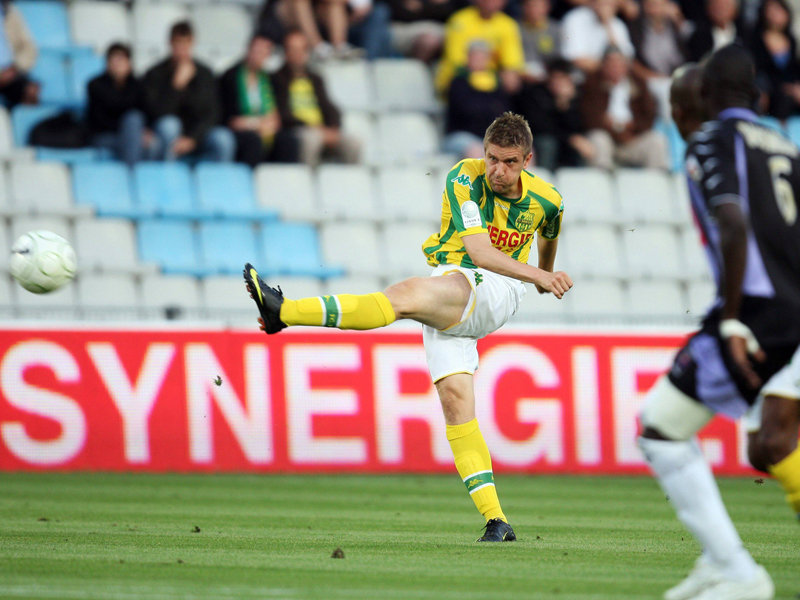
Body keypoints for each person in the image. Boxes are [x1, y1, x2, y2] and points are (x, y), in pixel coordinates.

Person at [242, 112, 572, 541]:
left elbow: (546, 237)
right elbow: (480, 249)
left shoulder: (549, 199)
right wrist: (543, 276)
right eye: (492, 159)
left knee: (403, 297)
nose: (498, 170)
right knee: (455, 400)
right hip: (460, 278)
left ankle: (282, 312)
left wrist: (543, 275)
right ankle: (496, 520)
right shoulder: (464, 179)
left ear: (527, 159)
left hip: (498, 289)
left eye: (509, 162)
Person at [639, 44, 800, 600]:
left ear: (705, 99)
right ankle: (722, 562)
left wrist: (731, 320)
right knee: (771, 443)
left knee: (660, 427)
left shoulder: (711, 142)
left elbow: (731, 223)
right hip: (792, 309)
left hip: (757, 313)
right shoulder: (786, 145)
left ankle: (734, 569)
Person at [143, 21, 235, 162]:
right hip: (166, 137)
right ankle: (167, 177)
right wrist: (176, 87)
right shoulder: (155, 73)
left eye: (186, 43)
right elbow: (156, 113)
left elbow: (212, 113)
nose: (182, 49)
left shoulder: (205, 74)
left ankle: (214, 182)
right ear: (170, 43)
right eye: (178, 43)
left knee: (223, 139)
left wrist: (193, 139)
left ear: (193, 43)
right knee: (170, 125)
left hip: (197, 136)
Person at [272, 29, 360, 166]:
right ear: (285, 53)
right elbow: (281, 112)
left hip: (321, 129)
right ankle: (308, 181)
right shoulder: (276, 79)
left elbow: (328, 105)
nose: (298, 54)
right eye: (293, 49)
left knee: (353, 141)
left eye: (302, 50)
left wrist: (333, 127)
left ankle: (350, 183)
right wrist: (312, 127)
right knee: (312, 139)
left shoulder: (315, 78)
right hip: (295, 129)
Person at [580, 46, 667, 170]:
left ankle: (656, 184)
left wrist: (632, 127)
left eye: (618, 63)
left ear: (626, 66)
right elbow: (589, 117)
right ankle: (601, 183)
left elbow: (650, 114)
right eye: (611, 64)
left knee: (656, 140)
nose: (615, 68)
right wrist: (616, 129)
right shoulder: (592, 84)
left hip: (633, 138)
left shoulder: (638, 83)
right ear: (603, 66)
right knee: (598, 138)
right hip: (608, 139)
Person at [219, 34, 298, 167]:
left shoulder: (272, 80)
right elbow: (232, 120)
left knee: (288, 140)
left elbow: (277, 116)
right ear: (248, 50)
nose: (259, 56)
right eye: (256, 51)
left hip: (266, 129)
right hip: (239, 132)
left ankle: (285, 183)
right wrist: (256, 124)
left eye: (264, 52)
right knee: (252, 141)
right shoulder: (230, 78)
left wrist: (264, 124)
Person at [435, 0, 524, 95]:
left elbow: (512, 62)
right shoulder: (460, 20)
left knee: (511, 79)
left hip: (492, 75)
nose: (491, 2)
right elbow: (456, 58)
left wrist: (501, 75)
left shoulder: (508, 24)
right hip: (462, 74)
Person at [87, 43, 156, 166]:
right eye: (114, 59)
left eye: (121, 59)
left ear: (129, 63)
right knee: (132, 126)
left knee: (154, 143)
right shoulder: (95, 85)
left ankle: (144, 176)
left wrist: (144, 131)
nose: (117, 64)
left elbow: (147, 112)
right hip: (105, 135)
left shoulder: (137, 85)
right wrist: (130, 132)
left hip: (132, 133)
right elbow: (99, 119)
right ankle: (133, 173)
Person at [516, 59, 590, 170]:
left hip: (566, 142)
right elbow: (540, 126)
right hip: (542, 139)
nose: (559, 82)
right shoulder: (535, 94)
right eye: (556, 77)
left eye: (563, 78)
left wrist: (565, 104)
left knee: (582, 147)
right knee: (548, 144)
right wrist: (569, 138)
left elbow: (580, 125)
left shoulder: (575, 97)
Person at [442, 41, 511, 159]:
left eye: (483, 57)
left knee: (520, 150)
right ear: (468, 58)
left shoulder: (496, 83)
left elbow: (503, 113)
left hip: (490, 138)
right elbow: (467, 111)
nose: (479, 60)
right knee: (477, 150)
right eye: (475, 56)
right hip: (461, 135)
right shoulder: (458, 81)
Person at [750, 0, 800, 121]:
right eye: (770, 11)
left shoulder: (791, 40)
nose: (774, 15)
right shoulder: (756, 39)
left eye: (778, 10)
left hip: (790, 88)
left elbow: (794, 69)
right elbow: (759, 69)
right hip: (769, 88)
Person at [560, 0, 634, 74]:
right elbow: (576, 59)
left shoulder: (617, 24)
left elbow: (625, 59)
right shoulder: (574, 18)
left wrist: (607, 25)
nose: (606, 8)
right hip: (580, 75)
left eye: (610, 5)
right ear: (593, 2)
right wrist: (609, 68)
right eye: (603, 4)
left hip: (609, 75)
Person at [0, 0, 37, 107]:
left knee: (30, 91)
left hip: (10, 72)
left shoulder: (10, 12)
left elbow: (29, 48)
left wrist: (14, 68)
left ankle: (24, 121)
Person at [519, 0, 560, 80]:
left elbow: (558, 58)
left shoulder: (556, 29)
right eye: (529, 5)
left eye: (537, 6)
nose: (533, 9)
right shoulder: (514, 28)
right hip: (523, 74)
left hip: (550, 74)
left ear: (547, 7)